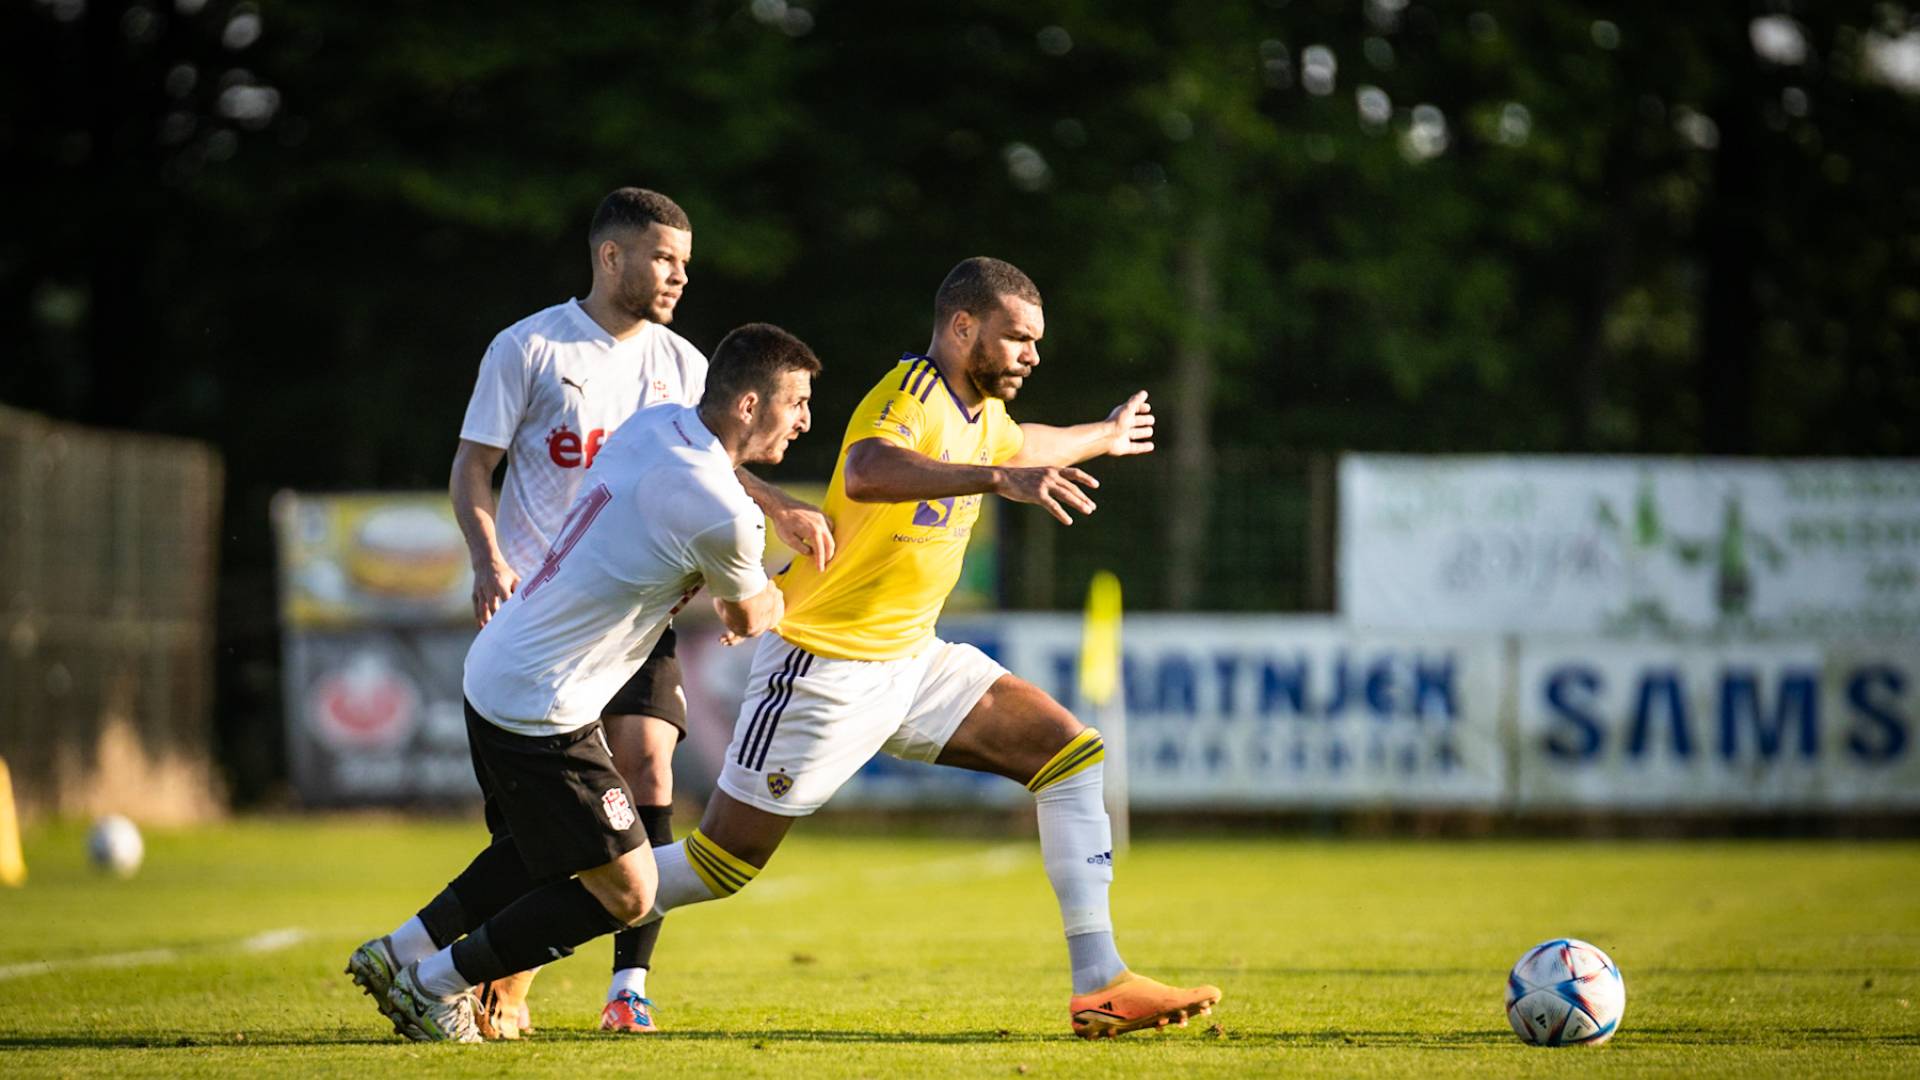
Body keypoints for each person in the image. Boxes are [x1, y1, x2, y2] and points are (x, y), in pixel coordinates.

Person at [624, 257, 1222, 1038]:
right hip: (824, 663)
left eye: (1036, 341)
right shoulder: (911, 391)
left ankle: (1100, 982)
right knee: (718, 865)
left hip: (912, 660)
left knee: (1069, 754)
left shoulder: (982, 414)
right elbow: (867, 469)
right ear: (963, 327)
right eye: (1018, 337)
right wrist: (996, 480)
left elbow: (1026, 443)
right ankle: (514, 931)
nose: (1033, 354)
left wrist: (1103, 436)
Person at [346, 322, 821, 1043]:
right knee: (632, 890)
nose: (805, 420)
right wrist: (795, 583)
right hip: (543, 704)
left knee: (539, 849)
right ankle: (432, 985)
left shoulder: (654, 425)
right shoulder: (722, 512)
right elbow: (747, 614)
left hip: (499, 669)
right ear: (750, 405)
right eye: (797, 402)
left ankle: (399, 951)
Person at [440, 187, 831, 1035]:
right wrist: (487, 557)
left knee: (650, 769)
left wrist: (780, 506)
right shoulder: (529, 347)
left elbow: (724, 464)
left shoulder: (685, 364)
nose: (679, 276)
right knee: (545, 834)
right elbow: (473, 465)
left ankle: (629, 986)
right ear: (610, 255)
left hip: (637, 617)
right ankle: (492, 978)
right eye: (664, 258)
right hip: (544, 617)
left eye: (686, 263)